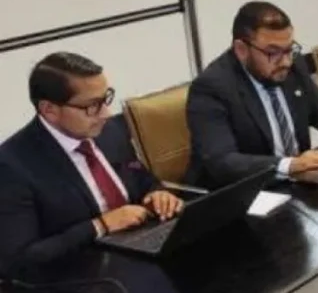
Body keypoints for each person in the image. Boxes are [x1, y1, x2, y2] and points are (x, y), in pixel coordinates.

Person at [0, 53, 183, 276]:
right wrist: (100, 226)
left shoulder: (109, 130)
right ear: (49, 110)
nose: (106, 114)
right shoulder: (12, 165)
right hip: (79, 277)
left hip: (140, 251)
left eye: (105, 99)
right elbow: (18, 260)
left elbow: (140, 177)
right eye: (92, 106)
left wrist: (157, 193)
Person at [186, 1, 318, 188]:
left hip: (298, 186)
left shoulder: (293, 66)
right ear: (241, 50)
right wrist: (290, 166)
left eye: (289, 49)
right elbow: (224, 162)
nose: (285, 61)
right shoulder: (212, 88)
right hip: (245, 194)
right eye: (273, 52)